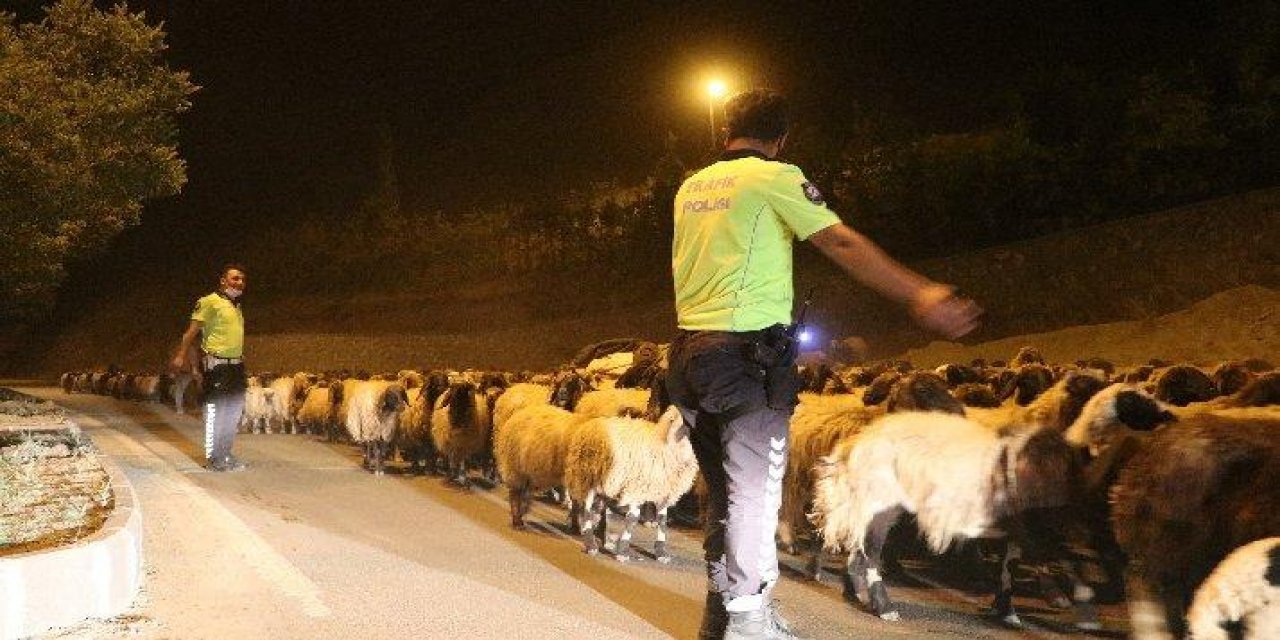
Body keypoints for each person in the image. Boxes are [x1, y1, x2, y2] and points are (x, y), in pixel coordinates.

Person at [667, 88, 981, 640]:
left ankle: (724, 619)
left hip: (691, 354)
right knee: (756, 496)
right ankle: (747, 623)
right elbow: (840, 242)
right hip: (745, 360)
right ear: (782, 138)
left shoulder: (691, 186)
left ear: (725, 133)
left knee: (725, 495)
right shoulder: (775, 176)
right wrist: (919, 292)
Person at [172, 264, 250, 472]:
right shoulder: (208, 302)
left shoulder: (236, 305)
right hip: (217, 366)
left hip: (236, 366)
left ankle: (225, 454)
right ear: (223, 280)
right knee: (216, 412)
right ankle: (213, 458)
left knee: (233, 413)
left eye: (242, 279)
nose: (239, 282)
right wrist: (181, 355)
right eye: (234, 278)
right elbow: (190, 333)